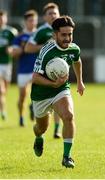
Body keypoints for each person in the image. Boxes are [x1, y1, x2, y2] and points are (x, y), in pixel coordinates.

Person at [31, 16, 85, 168]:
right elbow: (35, 78)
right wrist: (53, 83)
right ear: (54, 35)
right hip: (41, 94)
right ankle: (39, 137)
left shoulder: (74, 48)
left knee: (68, 115)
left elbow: (77, 60)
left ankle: (66, 157)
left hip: (61, 89)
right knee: (41, 127)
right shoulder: (46, 51)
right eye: (64, 35)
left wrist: (80, 81)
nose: (68, 38)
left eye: (70, 34)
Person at [25, 3, 61, 138]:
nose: (53, 15)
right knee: (45, 106)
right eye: (50, 13)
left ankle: (57, 129)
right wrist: (44, 46)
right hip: (43, 72)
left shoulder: (63, 28)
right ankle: (39, 128)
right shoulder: (41, 31)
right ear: (45, 17)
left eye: (55, 13)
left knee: (60, 99)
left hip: (59, 71)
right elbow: (28, 48)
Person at [10, 10, 38, 126]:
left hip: (36, 70)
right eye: (30, 20)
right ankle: (21, 116)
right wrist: (23, 48)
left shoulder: (39, 35)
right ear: (25, 22)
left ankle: (33, 107)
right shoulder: (20, 37)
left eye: (34, 20)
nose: (32, 23)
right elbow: (14, 53)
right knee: (22, 96)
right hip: (23, 70)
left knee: (36, 93)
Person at [0, 10, 18, 120]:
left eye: (2, 18)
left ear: (6, 19)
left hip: (7, 64)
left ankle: (2, 105)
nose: (1, 20)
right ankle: (3, 111)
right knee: (1, 90)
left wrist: (11, 50)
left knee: (5, 91)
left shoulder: (11, 32)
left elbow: (15, 46)